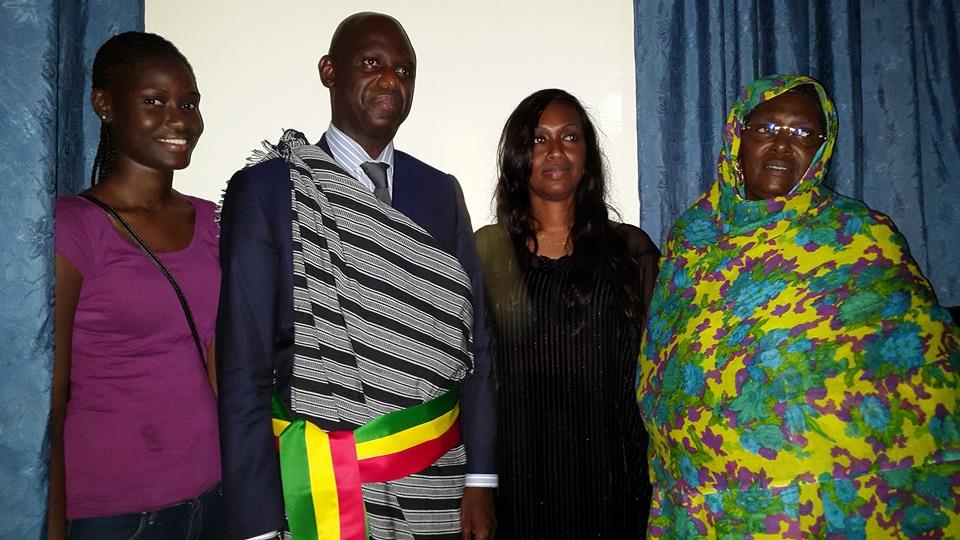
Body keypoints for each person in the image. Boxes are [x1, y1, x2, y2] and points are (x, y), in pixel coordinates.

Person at [637, 74, 960, 538]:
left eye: (804, 133)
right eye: (767, 129)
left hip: (814, 497)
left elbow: (924, 367)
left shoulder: (859, 235)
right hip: (703, 490)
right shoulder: (694, 236)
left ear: (822, 149)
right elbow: (663, 360)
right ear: (737, 137)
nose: (782, 145)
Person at [217, 12, 495, 540]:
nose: (391, 79)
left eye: (404, 70)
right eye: (372, 63)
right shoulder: (271, 189)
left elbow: (477, 346)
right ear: (329, 71)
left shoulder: (441, 192)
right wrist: (257, 524)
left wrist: (481, 479)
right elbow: (243, 369)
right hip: (322, 492)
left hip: (437, 482)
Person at [50, 32, 222, 539]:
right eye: (154, 101)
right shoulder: (72, 227)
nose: (180, 119)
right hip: (116, 514)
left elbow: (219, 364)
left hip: (213, 496)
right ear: (104, 105)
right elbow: (49, 401)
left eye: (188, 103)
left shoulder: (214, 221)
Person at [475, 89, 659, 537]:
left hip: (615, 482)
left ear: (587, 155)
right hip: (518, 483)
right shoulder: (489, 252)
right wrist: (475, 485)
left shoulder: (630, 251)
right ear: (518, 156)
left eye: (570, 137)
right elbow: (472, 375)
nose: (556, 150)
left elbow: (661, 372)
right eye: (539, 139)